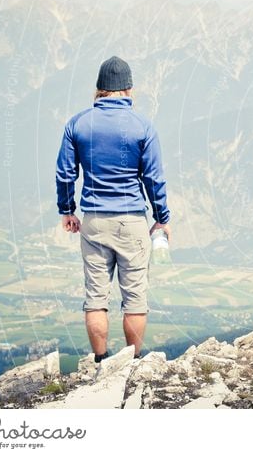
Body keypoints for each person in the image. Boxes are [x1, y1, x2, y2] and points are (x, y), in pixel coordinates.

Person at [55, 56, 171, 363]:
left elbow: (65, 174)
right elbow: (153, 178)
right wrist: (162, 219)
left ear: (99, 89)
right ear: (129, 89)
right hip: (132, 221)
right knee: (134, 299)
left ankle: (101, 362)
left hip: (93, 221)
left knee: (96, 297)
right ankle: (132, 364)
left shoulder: (77, 124)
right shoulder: (143, 126)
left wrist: (68, 210)